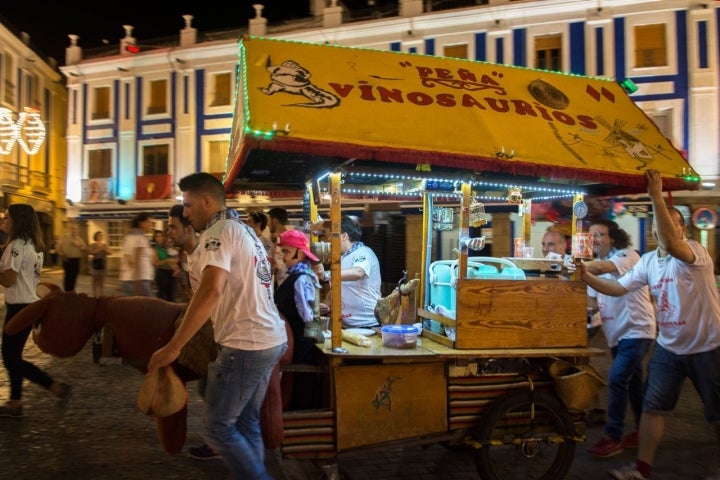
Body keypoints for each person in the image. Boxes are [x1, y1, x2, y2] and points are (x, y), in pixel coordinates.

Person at [578, 170, 720, 480]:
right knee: (653, 408)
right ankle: (642, 469)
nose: (662, 230)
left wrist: (656, 194)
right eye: (658, 224)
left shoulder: (695, 253)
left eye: (669, 224)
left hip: (707, 346)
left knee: (716, 413)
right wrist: (586, 276)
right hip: (668, 348)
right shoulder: (649, 261)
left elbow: (672, 242)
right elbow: (618, 287)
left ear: (681, 229)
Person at [147, 172, 287, 479]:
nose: (184, 212)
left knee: (218, 429)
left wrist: (174, 347)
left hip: (246, 344)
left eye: (187, 205)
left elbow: (211, 290)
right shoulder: (242, 230)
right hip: (267, 339)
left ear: (206, 201)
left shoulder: (219, 231)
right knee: (246, 421)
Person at [582, 219, 656, 459]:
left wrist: (575, 266)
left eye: (600, 235)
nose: (595, 240)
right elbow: (592, 302)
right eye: (591, 235)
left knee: (616, 378)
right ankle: (642, 431)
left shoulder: (628, 255)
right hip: (616, 334)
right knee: (634, 385)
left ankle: (613, 437)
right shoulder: (593, 266)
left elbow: (603, 268)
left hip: (637, 330)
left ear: (612, 237)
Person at [0, 204, 71, 417]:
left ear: (17, 220)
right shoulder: (32, 244)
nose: (4, 221)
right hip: (28, 304)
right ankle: (15, 403)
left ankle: (55, 387)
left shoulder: (16, 245)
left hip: (19, 307)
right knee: (14, 355)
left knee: (10, 358)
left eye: (6, 218)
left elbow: (9, 280)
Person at [275, 229, 322, 410]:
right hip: (294, 343)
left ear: (299, 253)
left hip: (301, 345)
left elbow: (307, 316)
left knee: (301, 387)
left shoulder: (301, 279)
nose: (284, 257)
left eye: (286, 252)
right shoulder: (298, 277)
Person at [314, 215, 381, 329]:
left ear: (344, 236)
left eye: (333, 235)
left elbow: (358, 272)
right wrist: (327, 304)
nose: (330, 239)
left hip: (367, 324)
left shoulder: (364, 252)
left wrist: (326, 275)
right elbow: (338, 286)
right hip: (346, 325)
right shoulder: (342, 258)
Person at [119, 212, 154, 296]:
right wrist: (137, 281)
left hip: (132, 279)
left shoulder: (130, 237)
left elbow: (127, 257)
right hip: (139, 280)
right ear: (141, 223)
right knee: (150, 306)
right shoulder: (139, 238)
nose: (151, 225)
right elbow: (135, 261)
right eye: (149, 222)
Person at [56, 222, 87, 291]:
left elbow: (84, 248)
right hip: (67, 260)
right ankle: (67, 292)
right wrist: (62, 254)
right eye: (72, 228)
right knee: (67, 277)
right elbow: (58, 248)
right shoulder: (64, 237)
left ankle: (72, 291)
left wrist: (78, 245)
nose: (74, 230)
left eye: (75, 228)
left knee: (74, 277)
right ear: (69, 229)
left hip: (76, 260)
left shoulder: (79, 239)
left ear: (77, 230)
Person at [152, 229, 180, 301]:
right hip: (162, 273)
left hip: (172, 273)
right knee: (162, 296)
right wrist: (167, 260)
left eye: (161, 236)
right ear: (154, 238)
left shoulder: (169, 247)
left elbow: (176, 258)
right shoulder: (156, 249)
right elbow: (156, 263)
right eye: (157, 237)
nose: (159, 238)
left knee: (172, 295)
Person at [268, 207, 291, 288]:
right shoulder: (277, 240)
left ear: (275, 221)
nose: (267, 224)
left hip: (289, 286)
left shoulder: (288, 238)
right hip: (280, 284)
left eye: (268, 221)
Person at [88, 231, 112, 297]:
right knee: (94, 280)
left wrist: (105, 249)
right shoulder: (93, 245)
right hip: (95, 264)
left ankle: (101, 294)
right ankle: (94, 294)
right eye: (99, 235)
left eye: (101, 235)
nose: (101, 237)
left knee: (102, 281)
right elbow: (91, 252)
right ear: (96, 237)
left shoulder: (105, 245)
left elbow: (110, 252)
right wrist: (99, 249)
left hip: (103, 264)